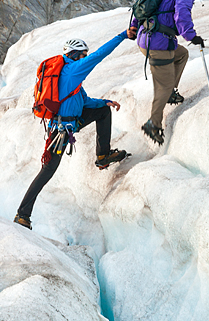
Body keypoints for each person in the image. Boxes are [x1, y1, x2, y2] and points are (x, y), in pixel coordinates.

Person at [14, 27, 136, 230]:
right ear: (75, 55)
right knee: (48, 170)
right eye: (82, 56)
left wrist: (105, 102)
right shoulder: (72, 71)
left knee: (103, 111)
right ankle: (22, 215)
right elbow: (99, 56)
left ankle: (103, 156)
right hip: (61, 129)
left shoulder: (71, 78)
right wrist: (123, 35)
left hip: (71, 122)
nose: (84, 59)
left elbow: (85, 101)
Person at [131, 0, 209, 145]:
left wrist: (134, 26)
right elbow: (181, 16)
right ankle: (153, 123)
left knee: (182, 54)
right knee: (163, 86)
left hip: (147, 39)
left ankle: (170, 92)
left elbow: (142, 4)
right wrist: (191, 36)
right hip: (158, 44)